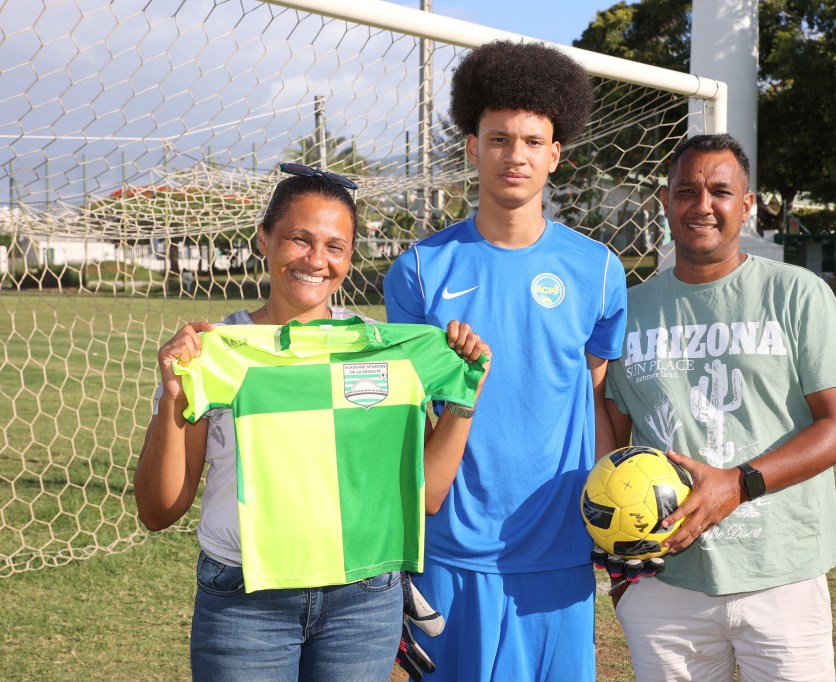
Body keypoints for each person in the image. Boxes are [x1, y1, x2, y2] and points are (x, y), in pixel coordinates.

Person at [133, 163, 490, 682]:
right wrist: (172, 398)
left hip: (364, 599)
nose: (316, 261)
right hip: (245, 599)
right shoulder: (215, 351)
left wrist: (463, 397)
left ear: (349, 255)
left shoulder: (387, 351)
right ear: (264, 239)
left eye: (335, 246)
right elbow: (158, 511)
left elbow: (429, 496)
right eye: (299, 240)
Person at [383, 40, 627, 681]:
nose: (513, 155)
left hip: (558, 552)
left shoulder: (599, 271)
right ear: (471, 147)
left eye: (530, 140)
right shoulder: (418, 271)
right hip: (448, 549)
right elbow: (407, 418)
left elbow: (593, 395)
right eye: (497, 139)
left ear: (555, 154)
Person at [604, 133, 836, 682]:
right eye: (686, 190)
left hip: (782, 578)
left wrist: (738, 483)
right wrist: (618, 559)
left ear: (746, 205)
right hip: (664, 585)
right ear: (665, 200)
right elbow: (611, 432)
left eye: (720, 191)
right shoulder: (627, 310)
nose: (702, 205)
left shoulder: (797, 293)